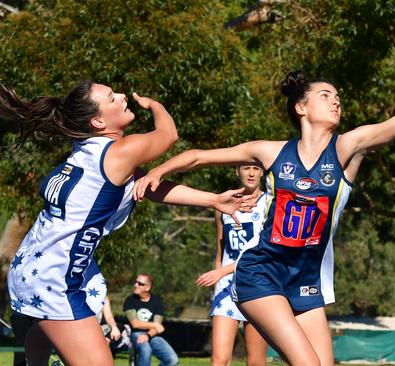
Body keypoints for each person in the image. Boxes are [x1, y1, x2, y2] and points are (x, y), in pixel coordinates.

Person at [134, 39, 395, 366]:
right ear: (301, 108)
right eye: (325, 95)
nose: (336, 100)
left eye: (337, 96)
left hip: (305, 279)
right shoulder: (271, 152)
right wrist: (158, 170)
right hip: (262, 272)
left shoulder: (344, 148)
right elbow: (198, 156)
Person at [1, 81, 255, 366]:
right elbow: (168, 134)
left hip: (36, 266)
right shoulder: (119, 152)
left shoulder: (89, 151)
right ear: (97, 121)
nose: (122, 96)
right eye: (112, 98)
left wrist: (213, 200)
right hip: (53, 277)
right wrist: (154, 104)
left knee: (44, 334)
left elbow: (149, 186)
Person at [195, 164, 269, 366]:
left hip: (257, 284)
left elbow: (261, 252)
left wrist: (220, 272)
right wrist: (219, 275)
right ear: (237, 171)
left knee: (255, 361)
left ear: (262, 172)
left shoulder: (269, 203)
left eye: (256, 168)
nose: (251, 173)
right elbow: (221, 249)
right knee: (219, 359)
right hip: (226, 287)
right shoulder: (223, 205)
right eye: (246, 168)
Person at [124, 273, 178, 366]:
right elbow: (135, 324)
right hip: (135, 333)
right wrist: (156, 325)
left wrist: (148, 336)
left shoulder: (157, 301)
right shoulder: (130, 300)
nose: (135, 285)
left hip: (152, 335)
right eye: (136, 282)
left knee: (172, 360)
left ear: (147, 287)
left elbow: (156, 328)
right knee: (146, 349)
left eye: (140, 283)